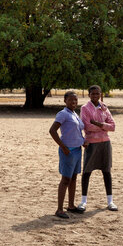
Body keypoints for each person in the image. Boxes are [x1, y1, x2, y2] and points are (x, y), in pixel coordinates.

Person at [78, 85, 118, 212]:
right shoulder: (85, 108)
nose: (95, 96)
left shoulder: (104, 108)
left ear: (100, 94)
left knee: (106, 171)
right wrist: (103, 127)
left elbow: (113, 126)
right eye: (93, 94)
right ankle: (83, 201)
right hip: (91, 143)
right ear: (89, 95)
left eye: (97, 94)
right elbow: (87, 126)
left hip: (105, 143)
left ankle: (110, 201)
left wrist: (99, 124)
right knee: (87, 172)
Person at [49, 91, 88, 219]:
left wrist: (82, 142)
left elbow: (76, 131)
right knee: (65, 180)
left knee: (74, 178)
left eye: (76, 100)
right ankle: (59, 209)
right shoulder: (63, 114)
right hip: (68, 151)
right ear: (65, 100)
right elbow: (52, 130)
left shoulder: (74, 114)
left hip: (77, 151)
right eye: (71, 100)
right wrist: (63, 147)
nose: (74, 103)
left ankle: (71, 205)